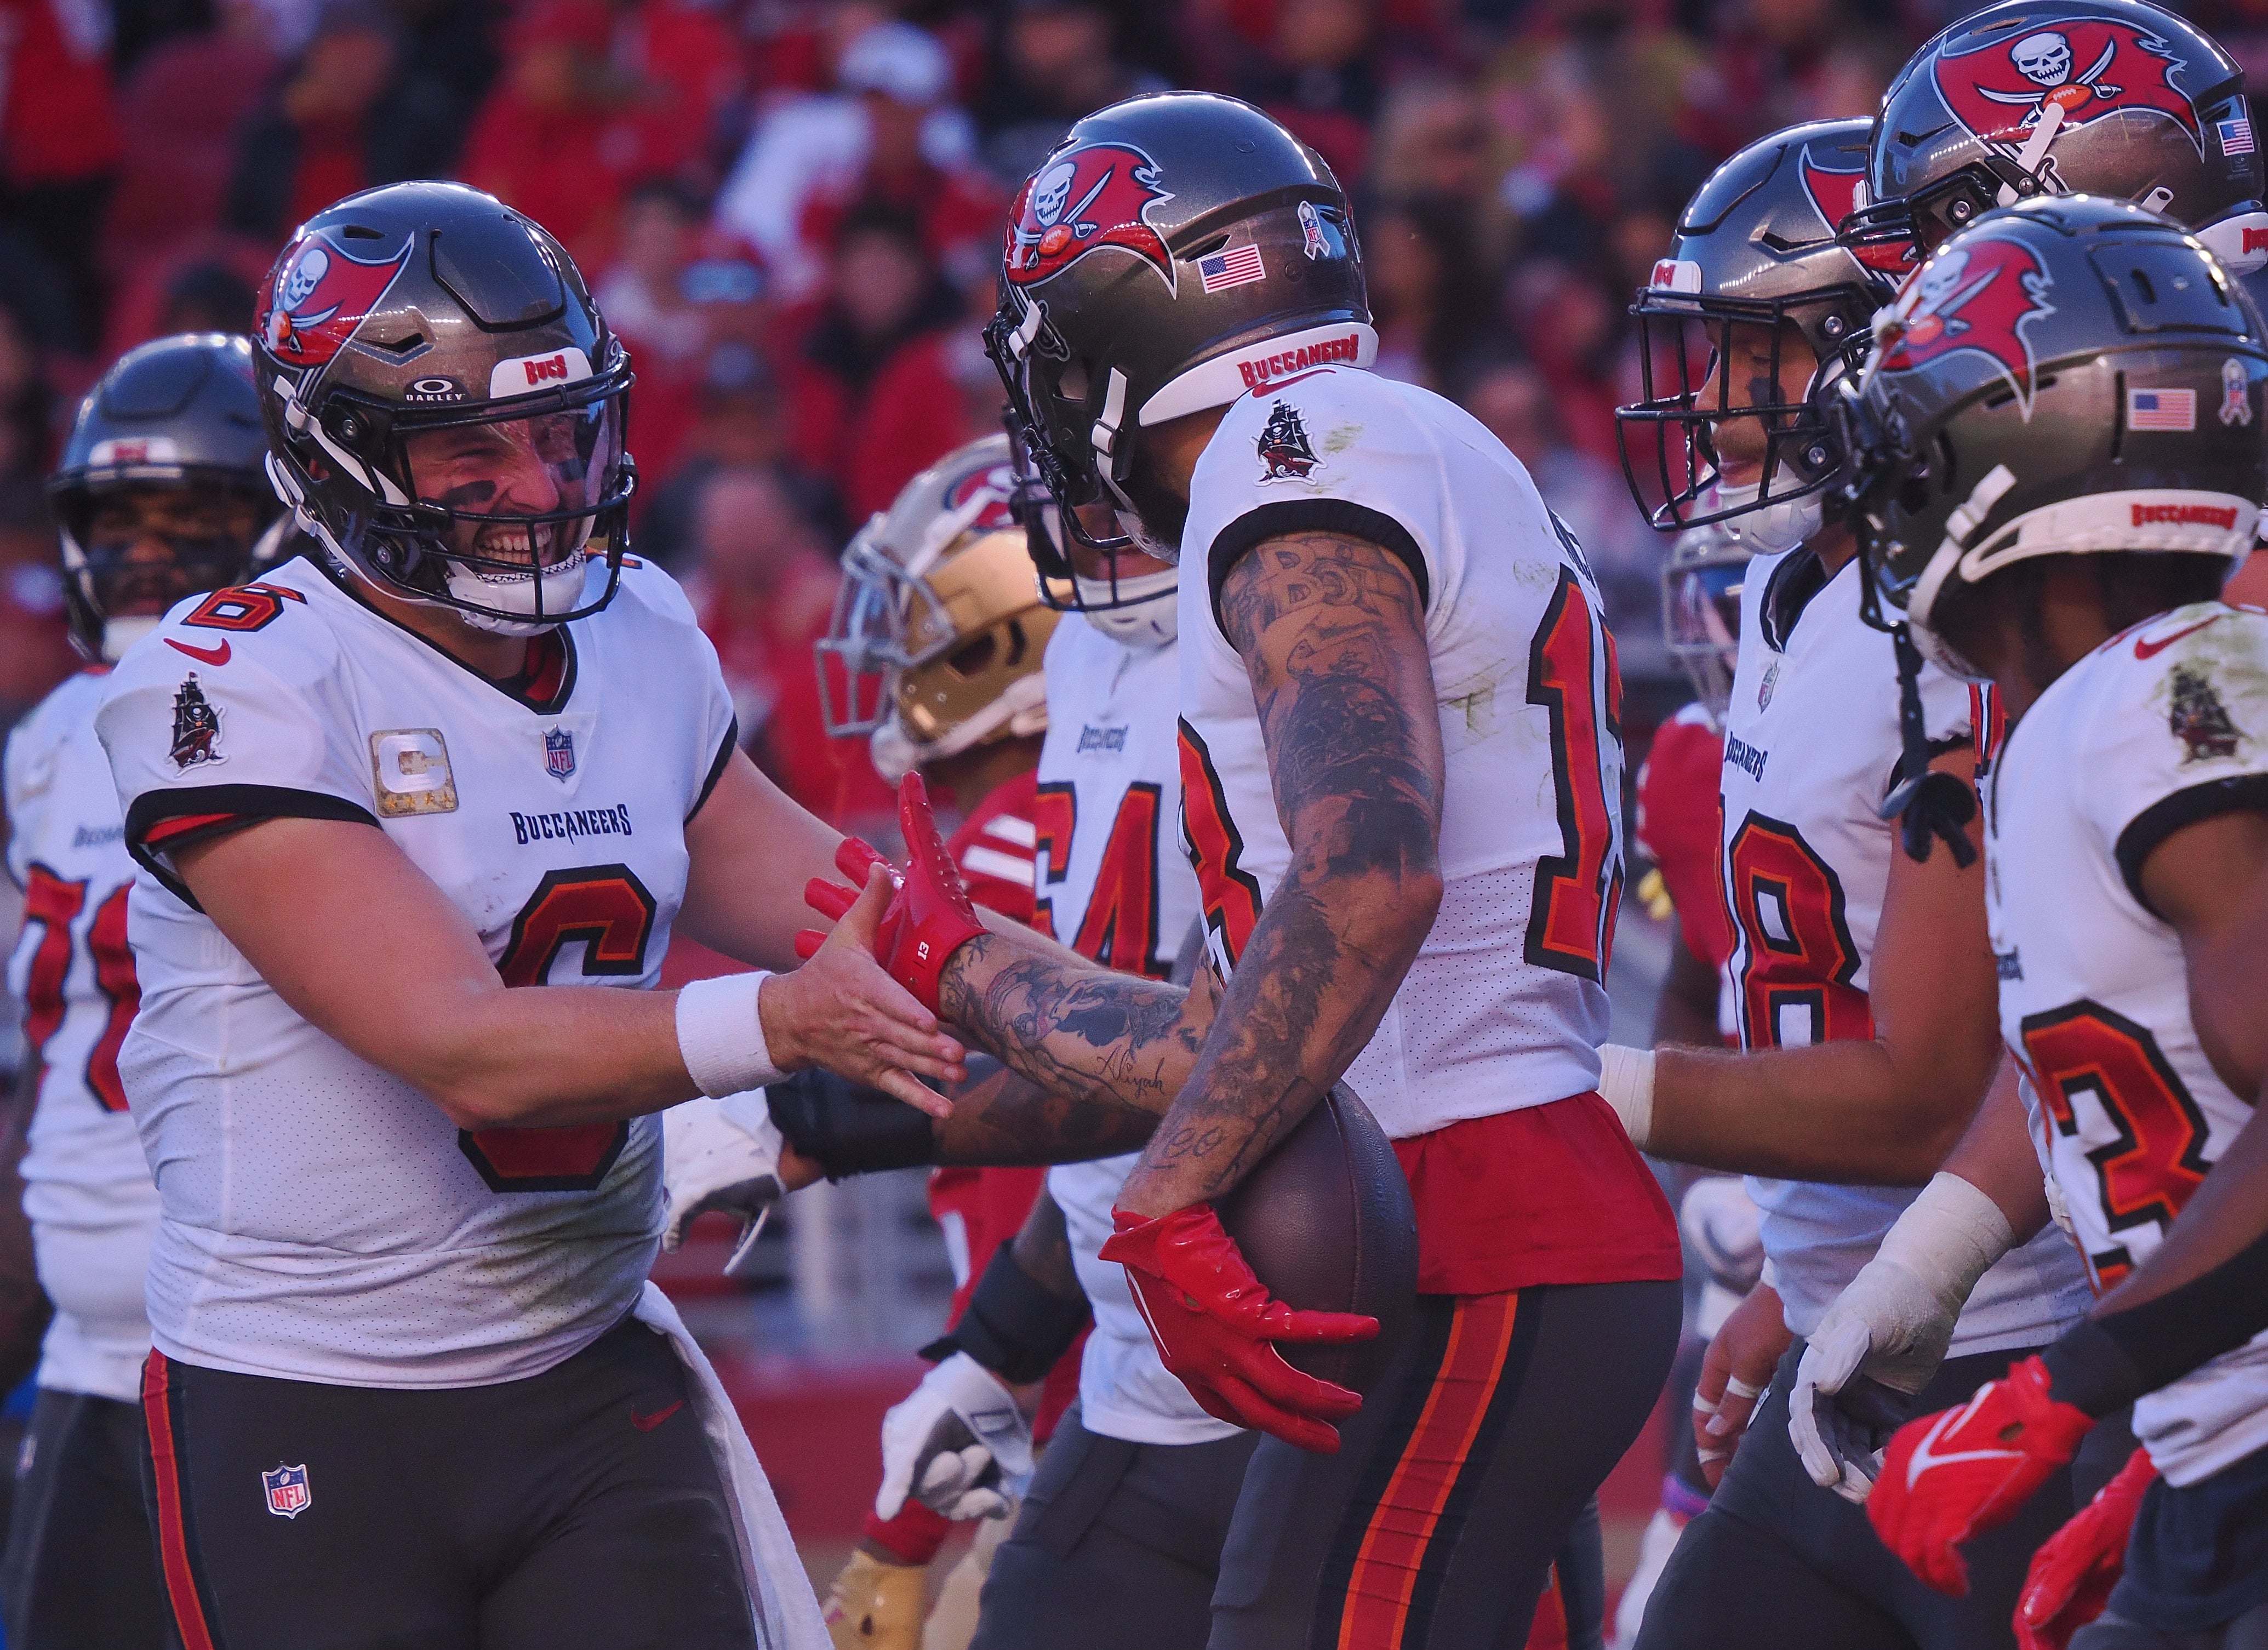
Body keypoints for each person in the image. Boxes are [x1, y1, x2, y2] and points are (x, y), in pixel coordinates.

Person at [803, 92, 1683, 1647]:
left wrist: (1164, 1195)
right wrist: (976, 971)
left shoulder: (1297, 459)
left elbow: (1371, 875)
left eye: (1063, 350)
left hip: (1476, 1218)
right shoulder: (1358, 443)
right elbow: (1240, 1018)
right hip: (1449, 1204)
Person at [93, 180, 959, 1650]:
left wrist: (1114, 1003)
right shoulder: (232, 681)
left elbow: (858, 912)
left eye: (557, 433)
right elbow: (458, 1045)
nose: (540, 485)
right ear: (339, 456)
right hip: (313, 1390)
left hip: (582, 1381)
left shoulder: (637, 630)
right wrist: (777, 1023)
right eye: (470, 446)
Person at [1602, 119, 2098, 1650]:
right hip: (1846, 1337)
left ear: (1878, 347)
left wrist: (1585, 1090)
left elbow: (1920, 1089)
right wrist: (1792, 1284)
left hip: (2001, 1345)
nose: (1711, 399)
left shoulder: (1941, 618)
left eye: (1750, 351)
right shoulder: (1787, 585)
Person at [1813, 195, 2268, 1650]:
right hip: (2213, 1463)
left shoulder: (2160, 700)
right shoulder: (2130, 698)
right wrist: (2162, 1454)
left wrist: (2076, 1377)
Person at [0, 333, 293, 1650]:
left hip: (267, 1347)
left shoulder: (303, 702)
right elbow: (37, 1053)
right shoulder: (49, 742)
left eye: (197, 516)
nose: (149, 553)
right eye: (121, 520)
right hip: (80, 1355)